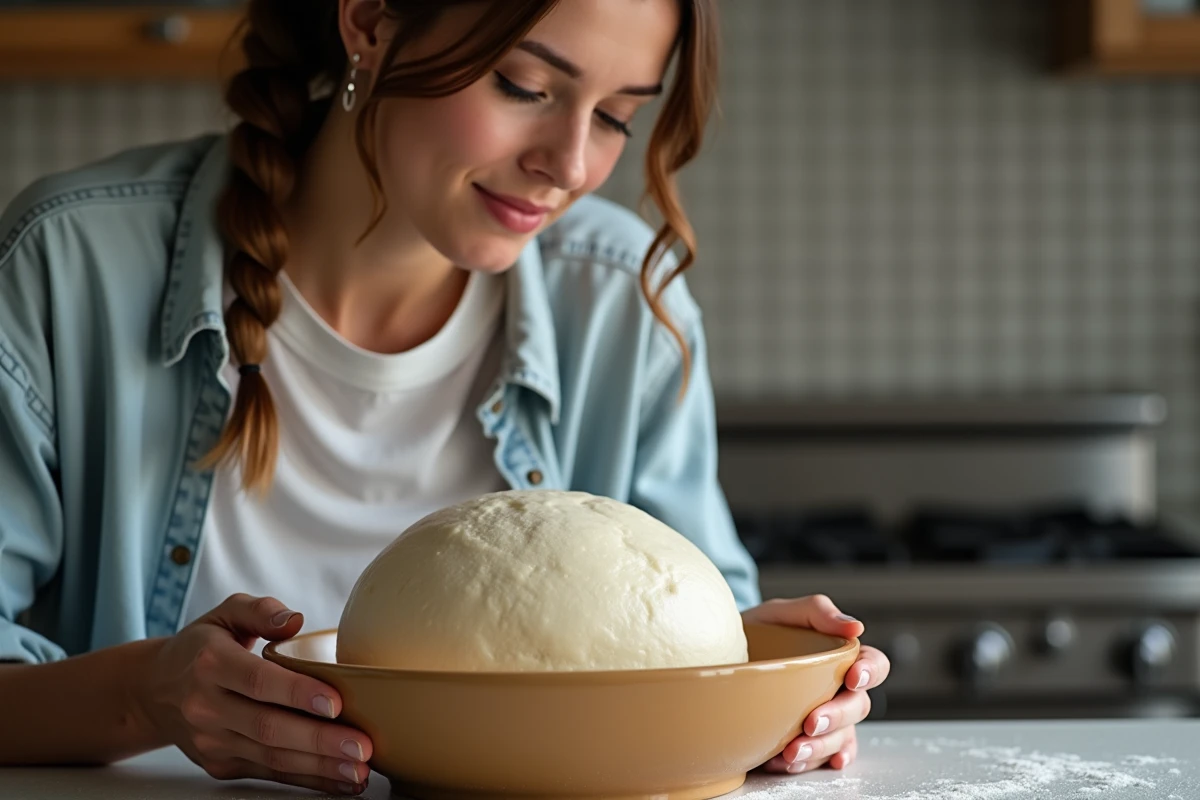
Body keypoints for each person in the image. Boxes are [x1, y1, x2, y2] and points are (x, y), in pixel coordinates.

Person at [0, 0, 890, 795]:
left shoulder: (622, 297)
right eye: (524, 85)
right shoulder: (67, 266)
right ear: (369, 22)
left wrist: (785, 693)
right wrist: (148, 693)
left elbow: (707, 642)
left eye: (618, 115)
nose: (570, 164)